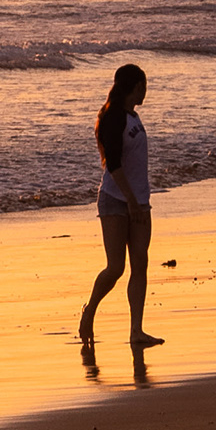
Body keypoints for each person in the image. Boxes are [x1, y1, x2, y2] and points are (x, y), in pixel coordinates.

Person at [76, 62, 162, 347]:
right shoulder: (113, 118)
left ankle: (136, 331)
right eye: (143, 87)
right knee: (115, 268)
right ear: (134, 87)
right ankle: (90, 311)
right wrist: (131, 201)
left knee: (141, 263)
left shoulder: (134, 117)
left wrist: (140, 201)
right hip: (115, 199)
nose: (145, 92)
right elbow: (113, 164)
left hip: (140, 201)